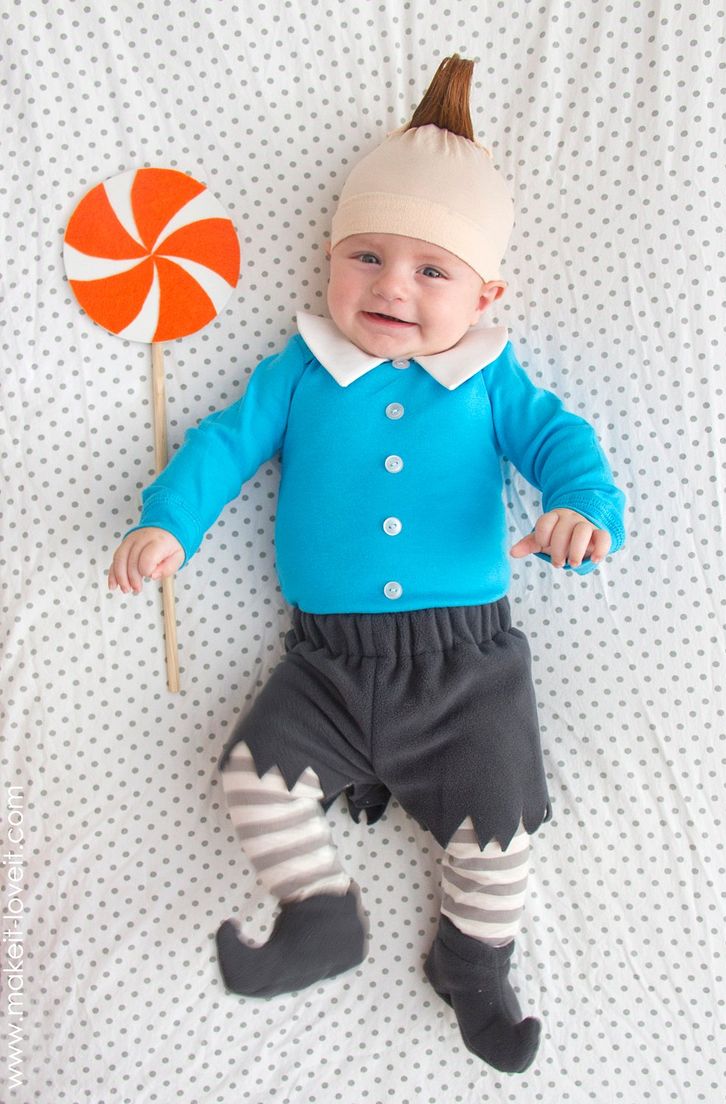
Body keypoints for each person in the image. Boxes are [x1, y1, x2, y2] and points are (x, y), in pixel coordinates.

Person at [108, 56, 626, 1074]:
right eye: (366, 258)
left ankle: (472, 966)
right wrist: (169, 521)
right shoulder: (298, 368)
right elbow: (221, 445)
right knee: (251, 780)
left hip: (465, 668)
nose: (392, 287)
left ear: (485, 292)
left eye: (431, 271)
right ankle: (318, 911)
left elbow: (561, 442)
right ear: (327, 259)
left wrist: (580, 506)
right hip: (327, 666)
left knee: (501, 837)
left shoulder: (490, 375)